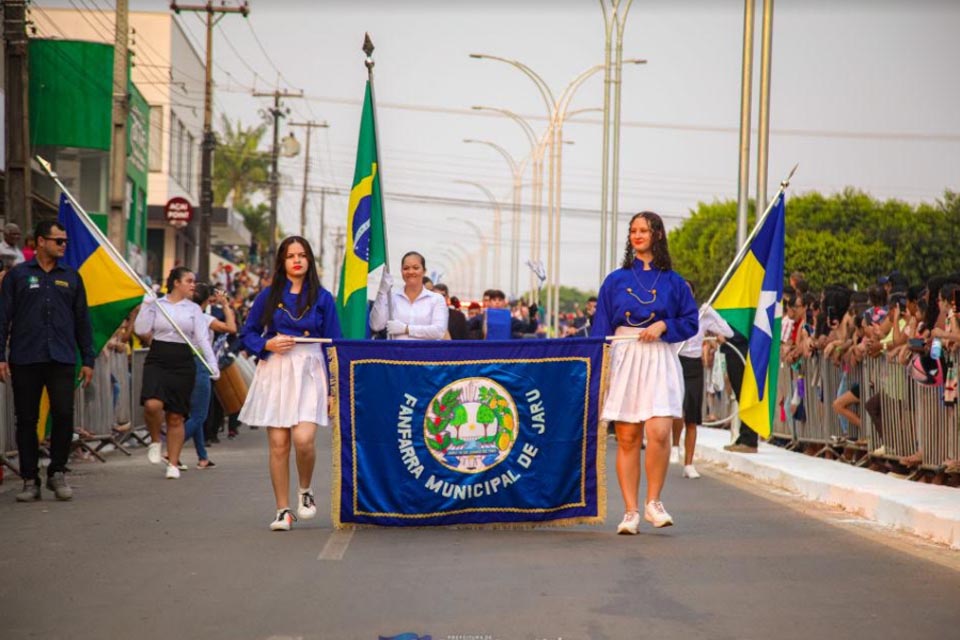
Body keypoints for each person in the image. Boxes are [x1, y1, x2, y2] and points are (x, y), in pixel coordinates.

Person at [591, 211, 698, 534]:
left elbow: (691, 322)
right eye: (633, 231)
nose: (637, 236)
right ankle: (630, 512)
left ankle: (654, 502)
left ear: (658, 235)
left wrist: (665, 325)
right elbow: (601, 329)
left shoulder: (674, 282)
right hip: (625, 355)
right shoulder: (615, 280)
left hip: (658, 357)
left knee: (660, 431)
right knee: (627, 437)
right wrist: (599, 367)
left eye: (644, 230)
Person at [238, 236, 342, 531]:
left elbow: (334, 344)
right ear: (282, 262)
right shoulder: (267, 296)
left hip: (311, 370)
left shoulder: (323, 298)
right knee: (279, 443)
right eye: (290, 255)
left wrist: (334, 389)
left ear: (309, 260)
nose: (296, 260)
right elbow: (248, 334)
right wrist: (267, 344)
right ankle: (283, 510)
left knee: (303, 439)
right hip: (277, 370)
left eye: (302, 254)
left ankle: (305, 490)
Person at [0, 220, 95, 501]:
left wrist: (88, 359)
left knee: (64, 414)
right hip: (26, 358)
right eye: (58, 241)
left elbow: (82, 321)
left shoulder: (72, 277)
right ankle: (30, 479)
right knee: (26, 419)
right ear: (40, 242)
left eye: (64, 241)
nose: (64, 245)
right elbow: (3, 319)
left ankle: (57, 472)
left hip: (62, 358)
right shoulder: (17, 276)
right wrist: (0, 357)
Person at [134, 267, 219, 479]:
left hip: (183, 360)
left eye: (194, 281)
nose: (193, 285)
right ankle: (155, 440)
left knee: (176, 415)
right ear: (176, 283)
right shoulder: (158, 304)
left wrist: (212, 364)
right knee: (153, 404)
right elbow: (141, 329)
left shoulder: (194, 310)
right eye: (189, 280)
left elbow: (202, 339)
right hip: (158, 356)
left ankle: (173, 462)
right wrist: (146, 305)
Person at [672, 282, 734, 479]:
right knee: (677, 411)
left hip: (693, 365)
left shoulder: (702, 315)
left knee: (692, 416)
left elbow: (728, 332)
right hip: (676, 362)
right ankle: (674, 445)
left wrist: (712, 312)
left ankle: (689, 464)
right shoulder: (671, 312)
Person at [180, 282, 237, 470]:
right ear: (208, 299)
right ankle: (171, 450)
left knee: (195, 412)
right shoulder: (203, 318)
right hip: (200, 364)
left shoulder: (181, 315)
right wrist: (226, 305)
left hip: (182, 364)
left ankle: (202, 457)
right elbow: (231, 328)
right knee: (199, 415)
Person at [370, 251, 448, 340]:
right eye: (406, 268)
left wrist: (406, 329)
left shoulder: (436, 299)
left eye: (416, 268)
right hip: (396, 352)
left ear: (424, 271)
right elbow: (376, 325)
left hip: (425, 353)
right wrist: (382, 292)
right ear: (401, 271)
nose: (410, 272)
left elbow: (439, 332)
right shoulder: (392, 297)